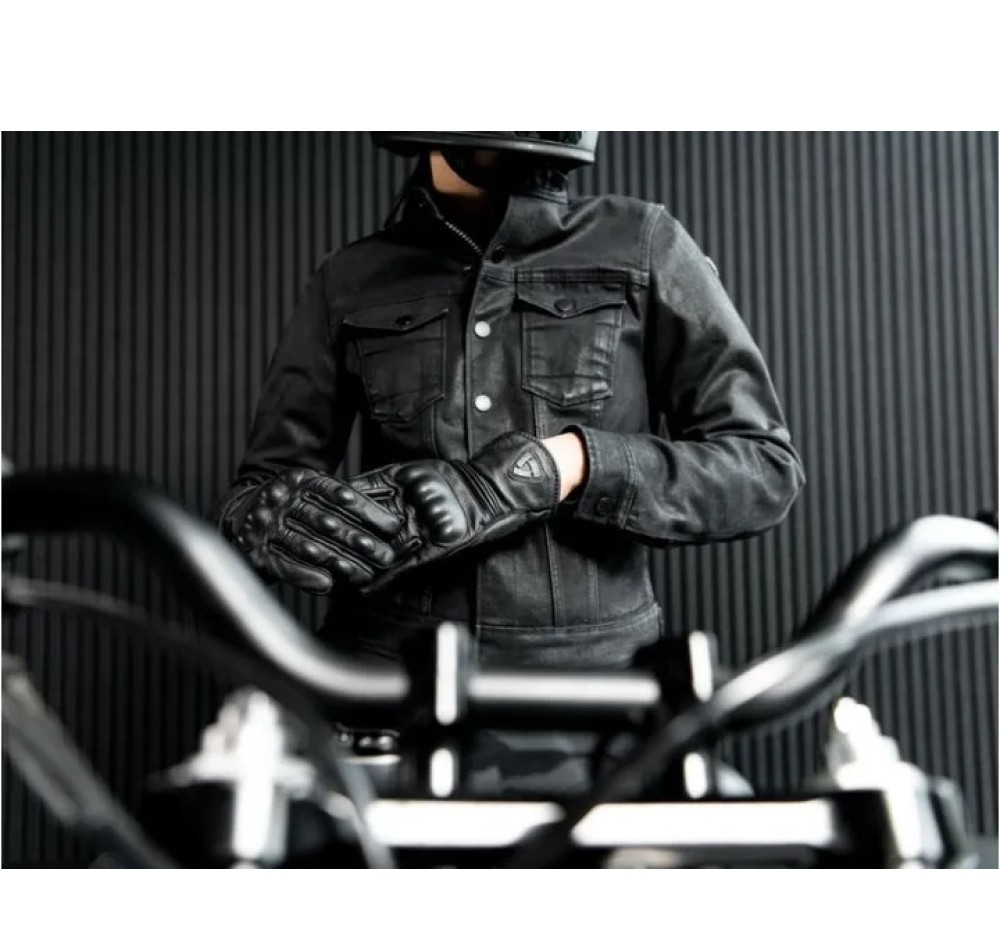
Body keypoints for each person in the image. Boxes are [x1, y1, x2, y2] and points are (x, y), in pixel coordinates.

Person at [213, 131, 805, 794]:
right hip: (383, 696)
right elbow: (257, 487)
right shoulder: (350, 278)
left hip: (597, 706)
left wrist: (564, 464)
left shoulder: (643, 246)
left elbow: (763, 469)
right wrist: (270, 520)